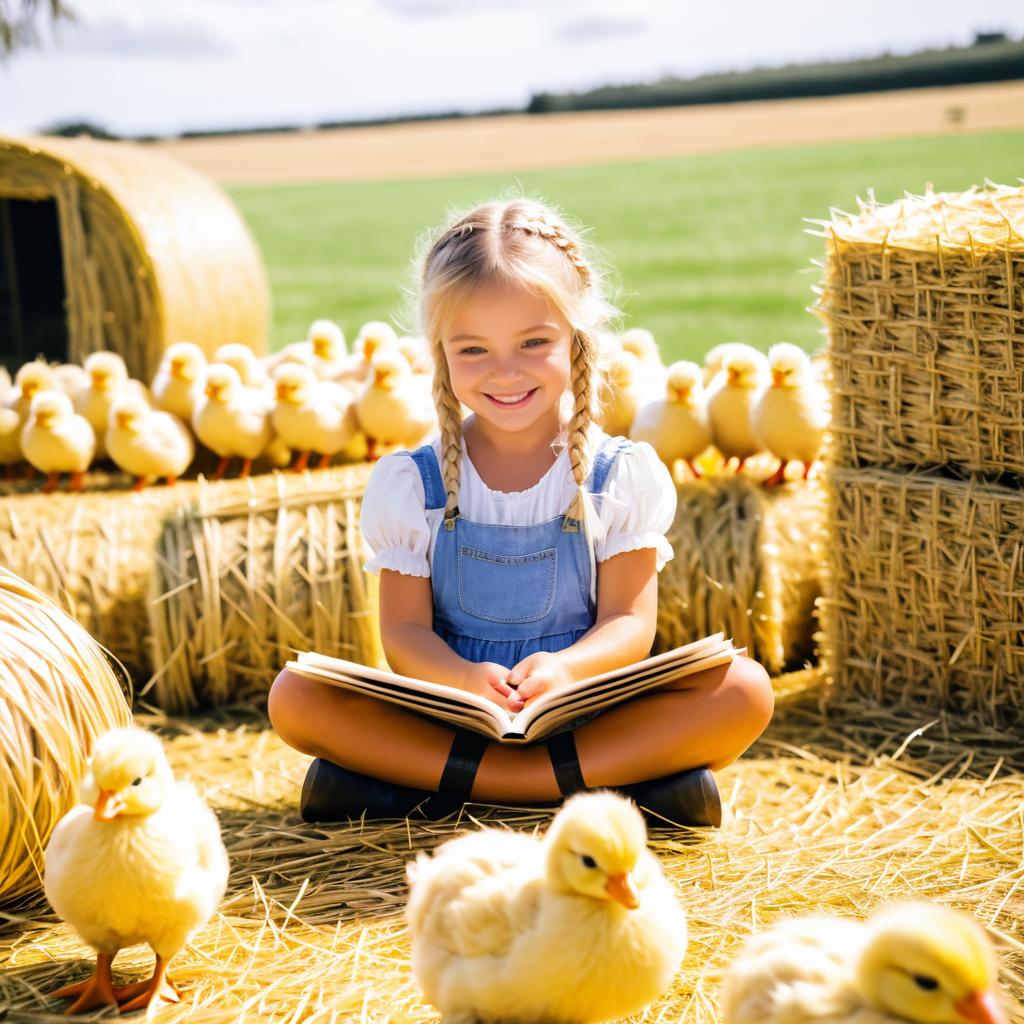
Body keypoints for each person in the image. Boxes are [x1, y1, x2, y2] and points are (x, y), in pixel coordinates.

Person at [268, 197, 774, 825]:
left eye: (533, 342)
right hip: (455, 716)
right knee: (295, 696)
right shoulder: (413, 483)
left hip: (582, 714)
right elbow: (402, 634)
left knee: (743, 689)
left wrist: (565, 670)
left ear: (576, 340)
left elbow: (629, 623)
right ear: (440, 351)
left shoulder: (617, 475)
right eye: (473, 349)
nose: (504, 372)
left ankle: (448, 787)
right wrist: (460, 678)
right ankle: (594, 789)